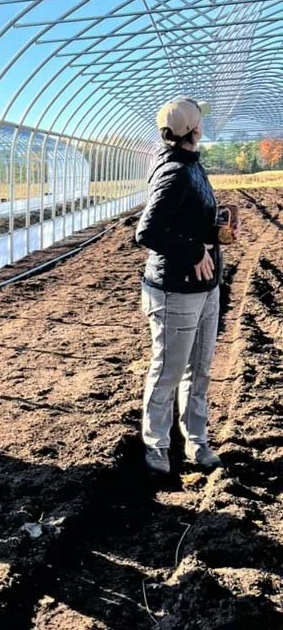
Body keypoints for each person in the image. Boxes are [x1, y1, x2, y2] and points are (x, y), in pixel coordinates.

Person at [135, 97, 237, 474]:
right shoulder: (174, 172)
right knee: (168, 370)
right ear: (194, 131)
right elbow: (147, 231)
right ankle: (156, 445)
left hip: (205, 286)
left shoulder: (191, 166)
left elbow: (185, 219)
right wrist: (194, 251)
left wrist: (216, 230)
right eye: (201, 123)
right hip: (175, 289)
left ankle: (196, 441)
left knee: (200, 368)